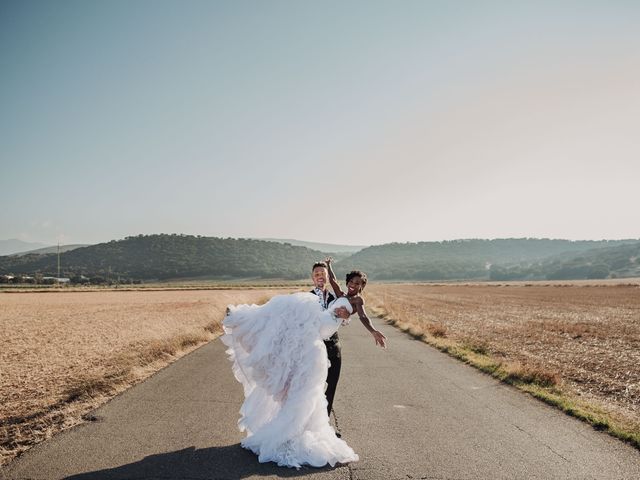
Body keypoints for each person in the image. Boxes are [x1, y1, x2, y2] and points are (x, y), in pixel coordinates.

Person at [221, 290, 358, 469]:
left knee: (305, 400)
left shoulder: (326, 307)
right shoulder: (310, 305)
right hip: (309, 359)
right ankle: (290, 435)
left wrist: (342, 317)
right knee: (303, 400)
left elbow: (321, 327)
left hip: (312, 361)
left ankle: (292, 434)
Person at [325, 257, 387, 349]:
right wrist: (328, 264)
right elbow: (333, 280)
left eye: (357, 283)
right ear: (347, 282)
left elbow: (363, 316)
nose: (353, 285)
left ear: (362, 286)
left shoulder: (357, 300)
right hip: (323, 320)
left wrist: (373, 331)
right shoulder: (341, 295)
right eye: (351, 281)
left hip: (329, 330)